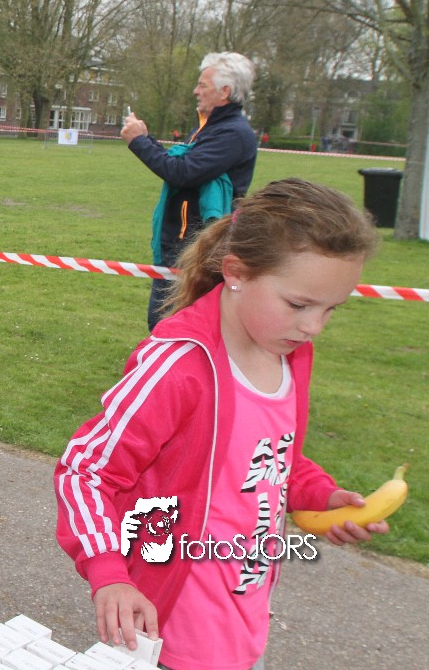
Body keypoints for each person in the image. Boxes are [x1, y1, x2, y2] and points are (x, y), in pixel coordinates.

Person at [54, 178, 385, 668]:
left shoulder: (291, 354)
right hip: (171, 629)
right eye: (299, 305)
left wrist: (320, 495)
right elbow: (86, 472)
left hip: (245, 620)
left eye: (331, 309)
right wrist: (109, 573)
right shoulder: (179, 367)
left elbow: (268, 455)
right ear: (236, 273)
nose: (313, 327)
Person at [122, 52, 258, 330]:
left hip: (197, 245)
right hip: (180, 239)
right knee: (162, 320)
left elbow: (183, 173)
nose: (196, 91)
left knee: (172, 323)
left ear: (224, 91)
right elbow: (181, 163)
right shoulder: (210, 127)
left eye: (202, 85)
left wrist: (139, 142)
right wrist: (146, 138)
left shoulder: (231, 133)